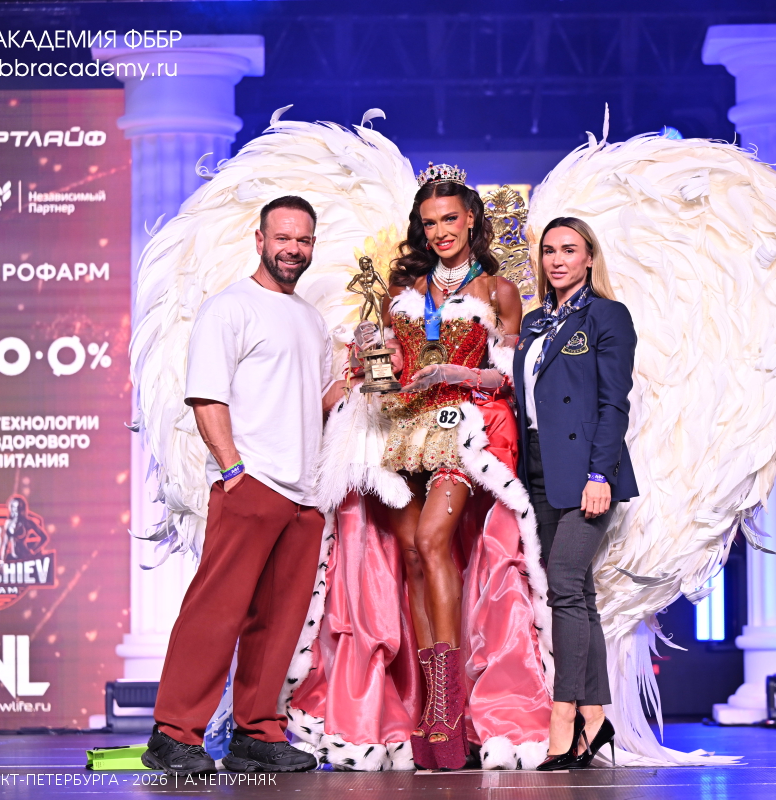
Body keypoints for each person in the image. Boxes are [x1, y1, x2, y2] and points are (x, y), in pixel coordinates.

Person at [288, 165, 554, 771]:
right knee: (410, 554)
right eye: (430, 223)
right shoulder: (401, 289)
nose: (440, 232)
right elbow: (391, 368)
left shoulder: (499, 290)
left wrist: (462, 373)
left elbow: (510, 377)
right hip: (402, 428)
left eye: (450, 219)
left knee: (435, 539)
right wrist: (372, 356)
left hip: (464, 428)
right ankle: (428, 700)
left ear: (471, 219)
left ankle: (448, 706)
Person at [143, 196, 340, 775]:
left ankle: (256, 733)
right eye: (283, 238)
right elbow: (207, 397)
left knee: (278, 624)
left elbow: (312, 403)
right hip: (251, 484)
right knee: (217, 612)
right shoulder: (229, 308)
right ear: (260, 240)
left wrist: (355, 378)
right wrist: (234, 472)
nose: (293, 249)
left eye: (303, 240)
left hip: (304, 495)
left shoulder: (310, 319)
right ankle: (173, 733)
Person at [513, 217, 638, 770]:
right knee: (576, 592)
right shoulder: (536, 320)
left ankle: (563, 714)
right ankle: (595, 715)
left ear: (589, 257)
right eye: (549, 251)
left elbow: (614, 403)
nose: (557, 260)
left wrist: (600, 475)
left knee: (564, 584)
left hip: (587, 469)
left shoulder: (607, 315)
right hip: (539, 467)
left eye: (569, 250)